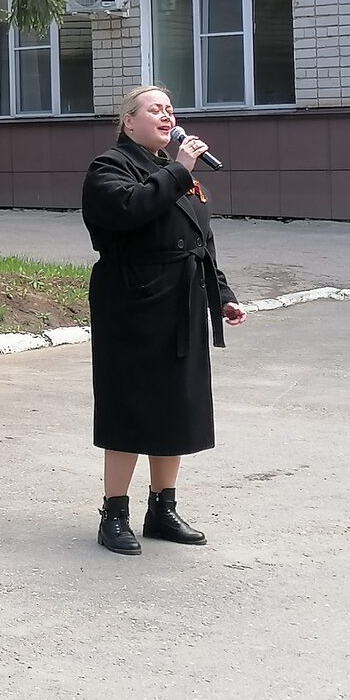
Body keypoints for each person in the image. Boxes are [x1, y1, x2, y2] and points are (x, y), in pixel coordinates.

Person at [80, 85, 247, 555]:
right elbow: (130, 209)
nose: (167, 116)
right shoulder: (109, 167)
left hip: (181, 301)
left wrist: (221, 295)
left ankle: (162, 509)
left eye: (170, 109)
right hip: (132, 302)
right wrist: (180, 168)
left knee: (176, 405)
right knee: (130, 406)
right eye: (155, 109)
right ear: (129, 121)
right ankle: (114, 513)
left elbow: (200, 240)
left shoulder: (175, 172)